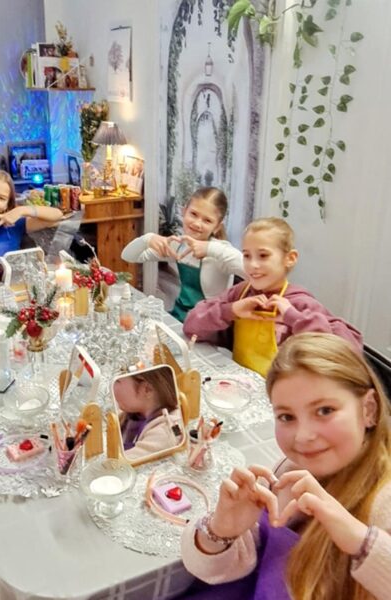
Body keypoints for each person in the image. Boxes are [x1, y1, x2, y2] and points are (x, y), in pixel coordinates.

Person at [181, 332, 391, 600]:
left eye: (325, 411)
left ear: (369, 409)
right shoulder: (287, 470)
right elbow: (215, 571)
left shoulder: (384, 503)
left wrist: (361, 542)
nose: (303, 436)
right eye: (286, 416)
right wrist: (220, 530)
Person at [183, 217, 362, 376]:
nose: (253, 265)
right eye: (247, 256)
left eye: (263, 255)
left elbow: (349, 353)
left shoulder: (300, 303)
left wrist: (294, 318)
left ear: (290, 258)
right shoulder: (239, 293)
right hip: (242, 388)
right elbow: (191, 326)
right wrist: (231, 310)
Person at [121, 187, 244, 322]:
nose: (197, 223)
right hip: (180, 317)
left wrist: (210, 249)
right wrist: (147, 239)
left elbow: (248, 269)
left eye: (207, 220)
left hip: (209, 325)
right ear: (184, 211)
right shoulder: (178, 245)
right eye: (194, 214)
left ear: (217, 227)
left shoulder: (221, 251)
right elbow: (128, 256)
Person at [114, 366, 183, 461]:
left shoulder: (165, 433)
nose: (112, 387)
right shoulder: (132, 413)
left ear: (147, 389)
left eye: (117, 381)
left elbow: (120, 463)